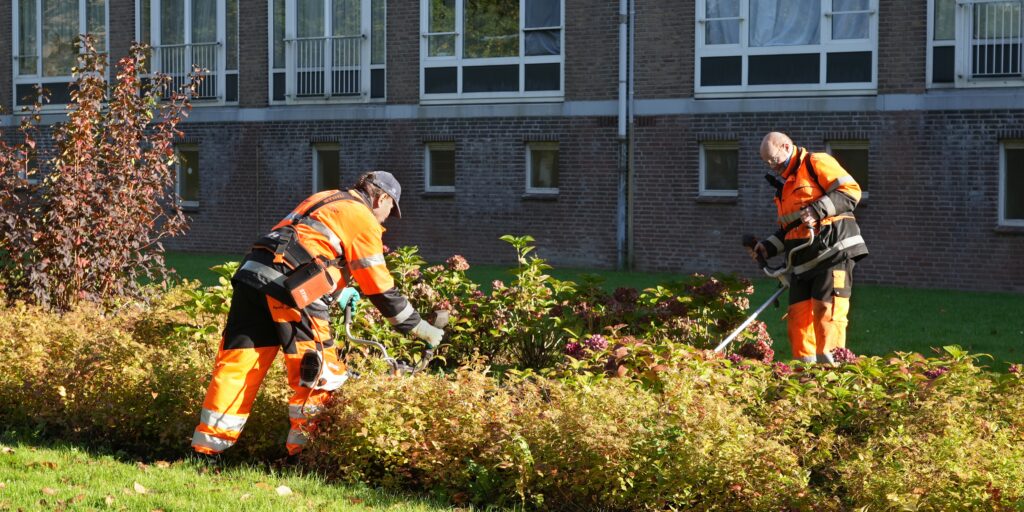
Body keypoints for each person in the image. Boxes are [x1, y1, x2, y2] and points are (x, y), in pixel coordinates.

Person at [191, 171, 445, 458]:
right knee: (315, 371)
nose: (387, 217)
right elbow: (380, 287)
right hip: (291, 290)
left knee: (238, 364)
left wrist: (337, 291)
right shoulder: (362, 218)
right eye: (390, 209)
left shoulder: (324, 198)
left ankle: (205, 452)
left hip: (253, 276)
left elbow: (304, 245)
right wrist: (420, 328)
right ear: (381, 197)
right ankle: (303, 455)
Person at [748, 132, 868, 363]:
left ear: (786, 146)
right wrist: (767, 248)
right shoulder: (785, 187)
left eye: (774, 160)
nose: (773, 167)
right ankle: (804, 382)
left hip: (832, 254)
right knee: (798, 322)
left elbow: (851, 191)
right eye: (768, 163)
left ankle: (831, 379)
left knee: (827, 317)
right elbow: (791, 228)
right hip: (803, 265)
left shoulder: (816, 163)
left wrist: (817, 210)